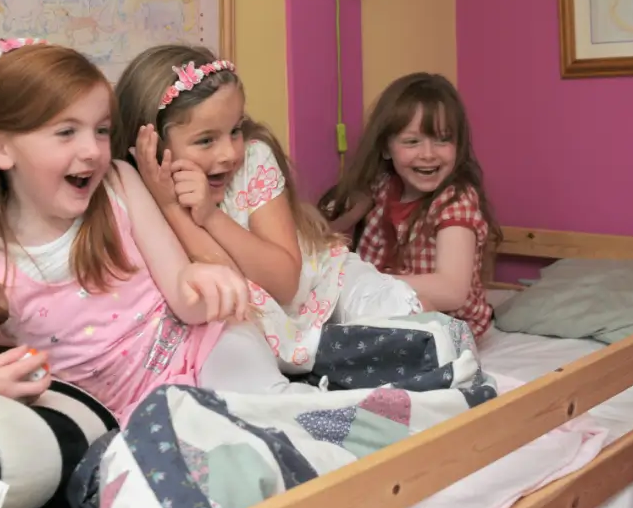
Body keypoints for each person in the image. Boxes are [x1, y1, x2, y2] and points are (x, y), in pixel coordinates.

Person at [0, 37, 308, 424]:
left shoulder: (119, 183)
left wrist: (204, 281)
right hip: (119, 417)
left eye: (101, 130)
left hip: (200, 350)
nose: (93, 150)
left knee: (264, 404)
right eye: (67, 132)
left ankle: (338, 425)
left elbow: (181, 290)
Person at [113, 44, 422, 371]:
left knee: (399, 318)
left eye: (235, 130)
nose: (229, 153)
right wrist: (172, 207)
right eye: (206, 140)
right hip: (266, 324)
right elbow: (225, 279)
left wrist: (209, 215)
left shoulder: (253, 159)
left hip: (323, 286)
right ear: (152, 148)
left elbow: (286, 284)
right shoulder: (139, 198)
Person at [319, 73, 502, 339]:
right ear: (386, 148)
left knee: (416, 312)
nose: (428, 154)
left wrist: (367, 283)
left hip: (446, 319)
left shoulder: (455, 201)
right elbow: (326, 237)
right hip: (382, 303)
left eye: (442, 139)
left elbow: (451, 290)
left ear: (458, 145)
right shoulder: (381, 189)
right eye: (412, 142)